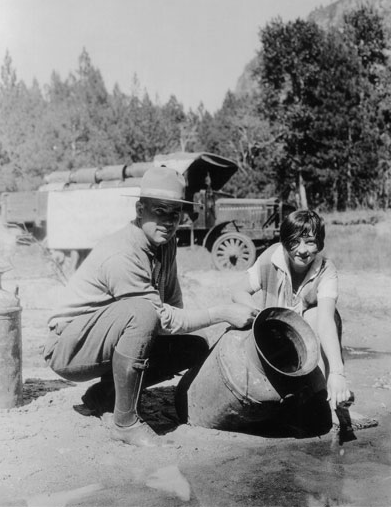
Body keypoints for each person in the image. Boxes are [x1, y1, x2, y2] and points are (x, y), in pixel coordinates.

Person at [43, 166, 255, 448]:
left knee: (192, 346)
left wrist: (189, 328)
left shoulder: (165, 244)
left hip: (107, 337)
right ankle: (125, 423)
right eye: (159, 211)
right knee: (143, 313)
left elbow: (172, 302)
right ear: (140, 209)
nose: (167, 221)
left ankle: (105, 395)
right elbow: (156, 315)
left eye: (174, 214)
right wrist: (221, 313)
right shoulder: (122, 251)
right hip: (69, 347)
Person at [231, 209, 350, 435]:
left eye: (310, 242)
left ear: (320, 244)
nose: (302, 250)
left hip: (309, 343)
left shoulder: (327, 270)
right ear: (284, 242)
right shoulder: (270, 258)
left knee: (316, 316)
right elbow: (238, 291)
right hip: (276, 342)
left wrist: (338, 372)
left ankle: (327, 398)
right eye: (294, 242)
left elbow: (325, 322)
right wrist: (260, 315)